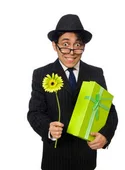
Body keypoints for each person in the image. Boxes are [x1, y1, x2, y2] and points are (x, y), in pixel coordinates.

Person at [27, 14, 119, 170]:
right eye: (65, 44)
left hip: (86, 158)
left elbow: (108, 110)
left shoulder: (95, 73)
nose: (71, 51)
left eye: (77, 45)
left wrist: (106, 135)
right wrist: (48, 128)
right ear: (54, 46)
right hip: (55, 159)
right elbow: (35, 112)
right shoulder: (41, 74)